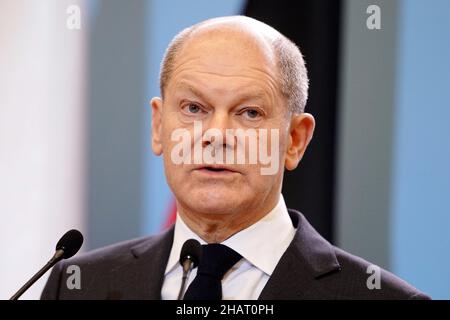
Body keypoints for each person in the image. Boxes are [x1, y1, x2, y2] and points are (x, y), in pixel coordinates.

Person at [41, 16, 429, 300]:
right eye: (194, 108)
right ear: (159, 126)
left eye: (249, 113)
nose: (217, 135)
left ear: (295, 140)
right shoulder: (76, 286)